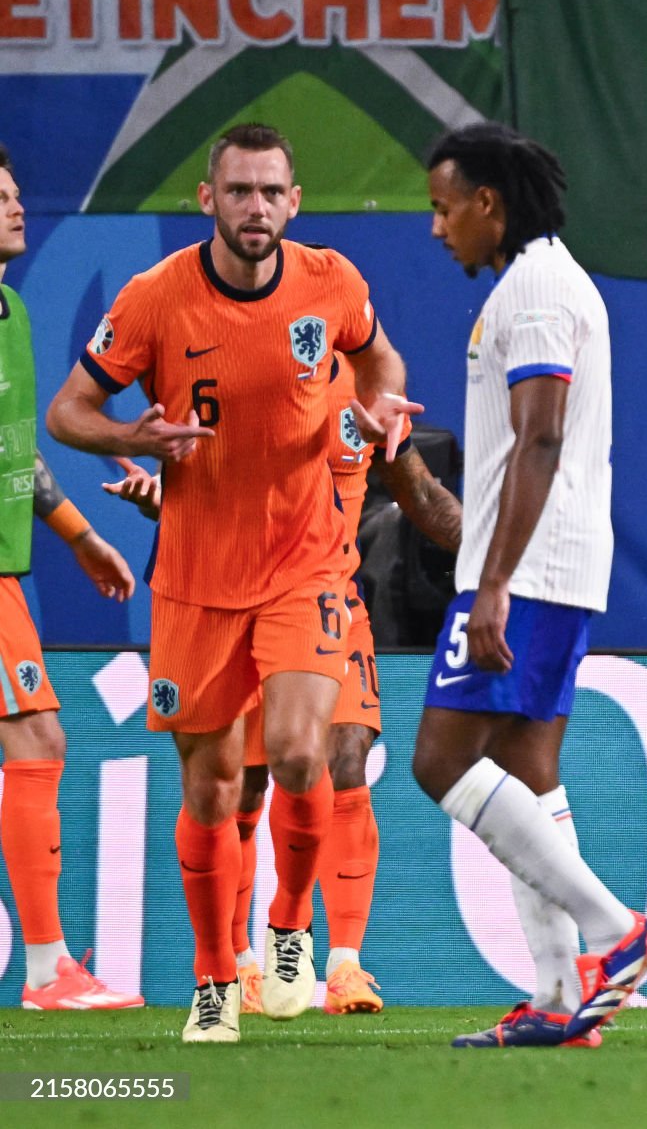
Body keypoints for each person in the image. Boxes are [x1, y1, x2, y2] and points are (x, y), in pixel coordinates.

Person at [46, 123, 418, 1042]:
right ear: (206, 199)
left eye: (272, 192)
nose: (257, 208)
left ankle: (293, 929)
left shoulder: (331, 283)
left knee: (302, 753)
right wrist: (136, 438)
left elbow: (380, 361)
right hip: (196, 580)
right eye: (240, 191)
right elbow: (68, 409)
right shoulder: (154, 299)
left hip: (304, 568)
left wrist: (379, 407)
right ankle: (216, 982)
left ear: (295, 202)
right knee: (212, 791)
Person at [103, 354, 463, 1019]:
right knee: (244, 783)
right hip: (238, 602)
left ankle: (345, 965)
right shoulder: (244, 377)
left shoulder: (366, 386)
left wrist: (492, 567)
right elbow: (216, 489)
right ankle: (239, 963)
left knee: (345, 755)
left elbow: (413, 487)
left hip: (327, 596)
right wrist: (165, 498)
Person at [407, 123, 647, 1050]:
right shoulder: (537, 282)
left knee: (439, 759)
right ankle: (559, 999)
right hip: (548, 563)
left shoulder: (542, 292)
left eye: (443, 208)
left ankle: (616, 933)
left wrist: (494, 581)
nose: (437, 229)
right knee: (524, 769)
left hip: (532, 569)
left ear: (489, 204)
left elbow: (541, 437)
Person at [0, 144, 144, 1012]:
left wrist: (81, 535)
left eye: (17, 192)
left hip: (5, 570)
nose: (17, 207)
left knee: (37, 742)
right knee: (38, 741)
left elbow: (17, 459)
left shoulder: (11, 312)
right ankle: (50, 969)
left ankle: (51, 967)